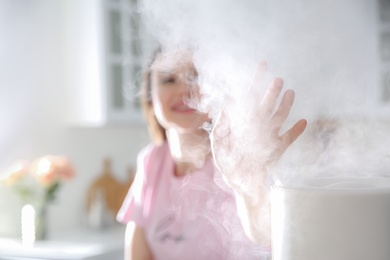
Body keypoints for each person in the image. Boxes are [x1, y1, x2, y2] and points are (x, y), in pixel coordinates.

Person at [117, 48, 307, 260]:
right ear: (150, 96)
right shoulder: (150, 160)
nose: (184, 91)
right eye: (169, 80)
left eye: (195, 77)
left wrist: (247, 181)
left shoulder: (233, 160)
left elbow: (265, 236)